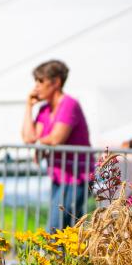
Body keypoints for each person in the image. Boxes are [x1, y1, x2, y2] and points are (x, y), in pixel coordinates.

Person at [21, 60, 91, 231]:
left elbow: (56, 138)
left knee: (55, 228)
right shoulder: (44, 109)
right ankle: (73, 257)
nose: (36, 87)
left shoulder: (69, 104)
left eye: (41, 81)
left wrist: (40, 143)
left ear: (56, 82)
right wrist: (28, 106)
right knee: (70, 229)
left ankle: (55, 257)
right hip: (59, 176)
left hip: (77, 176)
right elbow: (29, 137)